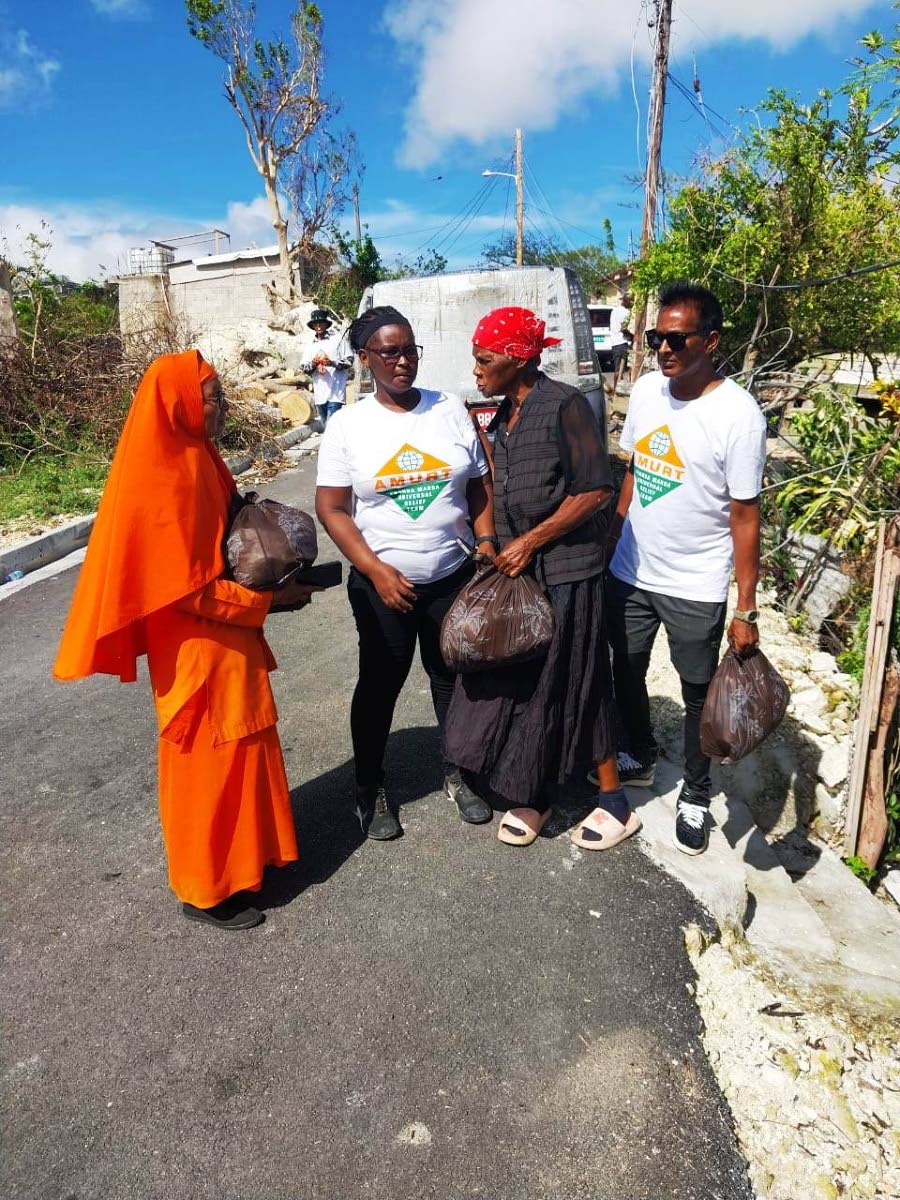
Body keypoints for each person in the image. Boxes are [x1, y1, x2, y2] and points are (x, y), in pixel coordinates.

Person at [53, 351, 317, 929]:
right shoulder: (166, 473)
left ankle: (245, 865)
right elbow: (184, 591)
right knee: (207, 763)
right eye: (212, 394)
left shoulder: (200, 457)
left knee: (244, 748)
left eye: (220, 393)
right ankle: (206, 888)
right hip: (198, 645)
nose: (222, 404)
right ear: (178, 402)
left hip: (225, 637)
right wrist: (267, 601)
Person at [443, 307, 636, 850]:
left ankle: (603, 801)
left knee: (576, 679)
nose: (477, 370)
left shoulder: (564, 405)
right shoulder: (507, 412)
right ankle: (539, 787)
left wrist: (530, 541)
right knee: (531, 682)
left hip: (568, 572)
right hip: (525, 577)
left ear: (520, 357)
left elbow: (596, 489)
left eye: (485, 359)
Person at [315, 305, 496, 839]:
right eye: (389, 351)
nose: (403, 361)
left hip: (451, 575)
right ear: (365, 358)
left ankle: (457, 773)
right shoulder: (349, 425)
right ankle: (369, 786)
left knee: (451, 678)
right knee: (380, 684)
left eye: (411, 350)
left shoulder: (449, 410)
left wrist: (484, 540)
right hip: (382, 587)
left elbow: (479, 484)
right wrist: (375, 571)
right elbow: (332, 508)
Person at [604, 281, 767, 856]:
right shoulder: (648, 391)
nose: (663, 349)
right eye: (656, 338)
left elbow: (746, 517)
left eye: (676, 338)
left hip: (696, 581)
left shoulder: (738, 415)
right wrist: (614, 535)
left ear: (712, 341)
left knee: (699, 690)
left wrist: (745, 605)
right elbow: (632, 472)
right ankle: (641, 752)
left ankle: (696, 794)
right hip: (631, 570)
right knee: (624, 668)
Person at [302, 308, 352, 425]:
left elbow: (349, 360)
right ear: (313, 326)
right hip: (320, 393)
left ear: (326, 324)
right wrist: (313, 364)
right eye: (315, 323)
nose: (318, 325)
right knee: (326, 427)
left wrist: (332, 363)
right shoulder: (310, 344)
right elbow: (303, 367)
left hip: (336, 391)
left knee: (330, 427)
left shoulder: (338, 339)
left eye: (321, 322)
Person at [610, 293, 634, 395]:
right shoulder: (626, 313)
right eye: (631, 301)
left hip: (615, 343)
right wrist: (632, 336)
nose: (632, 304)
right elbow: (624, 329)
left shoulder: (614, 310)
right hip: (622, 342)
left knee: (618, 369)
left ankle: (617, 391)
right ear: (626, 301)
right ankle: (617, 392)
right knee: (621, 370)